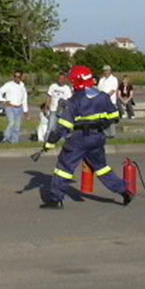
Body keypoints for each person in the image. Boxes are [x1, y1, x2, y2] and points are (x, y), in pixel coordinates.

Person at [40, 65, 132, 209]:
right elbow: (115, 116)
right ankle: (124, 190)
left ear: (76, 81)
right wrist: (99, 123)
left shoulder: (74, 101)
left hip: (79, 139)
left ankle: (55, 199)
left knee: (64, 167)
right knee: (102, 167)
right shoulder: (102, 96)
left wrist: (49, 143)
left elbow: (63, 126)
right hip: (97, 137)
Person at [0, 71, 28, 143]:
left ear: (21, 78)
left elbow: (24, 99)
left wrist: (26, 111)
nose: (17, 78)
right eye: (15, 76)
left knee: (17, 126)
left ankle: (14, 141)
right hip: (10, 107)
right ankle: (6, 138)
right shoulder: (9, 85)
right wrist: (3, 100)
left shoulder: (22, 86)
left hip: (19, 108)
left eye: (19, 77)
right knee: (12, 122)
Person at [97, 65, 119, 136]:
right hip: (102, 102)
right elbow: (99, 89)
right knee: (103, 118)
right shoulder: (101, 80)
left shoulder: (114, 79)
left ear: (110, 71)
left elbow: (113, 89)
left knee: (111, 118)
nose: (105, 72)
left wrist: (106, 97)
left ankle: (112, 134)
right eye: (104, 71)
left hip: (111, 101)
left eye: (106, 70)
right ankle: (105, 133)